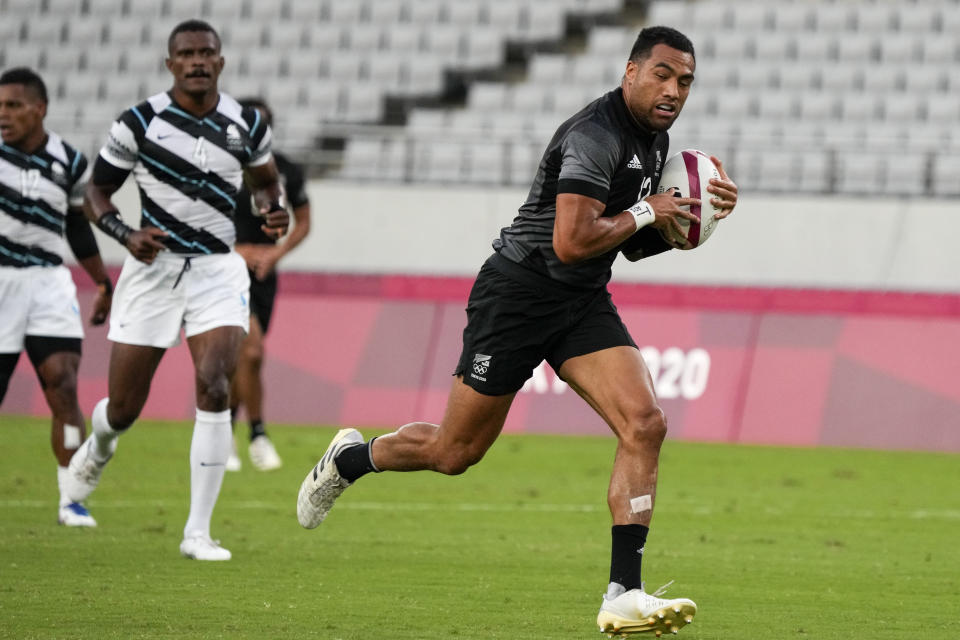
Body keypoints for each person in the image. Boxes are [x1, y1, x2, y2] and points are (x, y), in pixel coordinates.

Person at [297, 26, 738, 636]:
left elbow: (627, 250)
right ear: (630, 71)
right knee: (455, 453)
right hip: (519, 294)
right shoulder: (594, 135)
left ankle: (623, 592)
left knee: (646, 424)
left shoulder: (654, 140)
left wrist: (686, 223)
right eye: (662, 74)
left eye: (685, 81)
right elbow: (573, 239)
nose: (673, 90)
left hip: (580, 300)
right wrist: (648, 210)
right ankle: (351, 458)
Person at [64, 20, 289, 561]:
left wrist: (271, 210)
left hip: (218, 269)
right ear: (170, 64)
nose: (196, 61)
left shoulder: (246, 124)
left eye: (206, 53)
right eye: (186, 54)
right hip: (153, 272)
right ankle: (100, 445)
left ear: (220, 61)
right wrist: (125, 233)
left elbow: (266, 182)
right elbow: (96, 191)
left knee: (214, 384)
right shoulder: (139, 122)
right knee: (123, 407)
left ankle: (197, 532)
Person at [0, 67, 112, 528]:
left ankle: (71, 496)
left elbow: (76, 225)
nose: (2, 115)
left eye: (12, 106)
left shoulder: (69, 160)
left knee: (64, 387)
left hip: (48, 282)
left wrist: (103, 281)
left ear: (39, 108)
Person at [225, 97, 312, 473]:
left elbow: (304, 221)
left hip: (264, 273)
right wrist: (234, 251)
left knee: (243, 358)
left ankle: (223, 433)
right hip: (224, 270)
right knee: (252, 351)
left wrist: (275, 254)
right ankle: (257, 434)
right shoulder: (219, 168)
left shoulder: (286, 170)